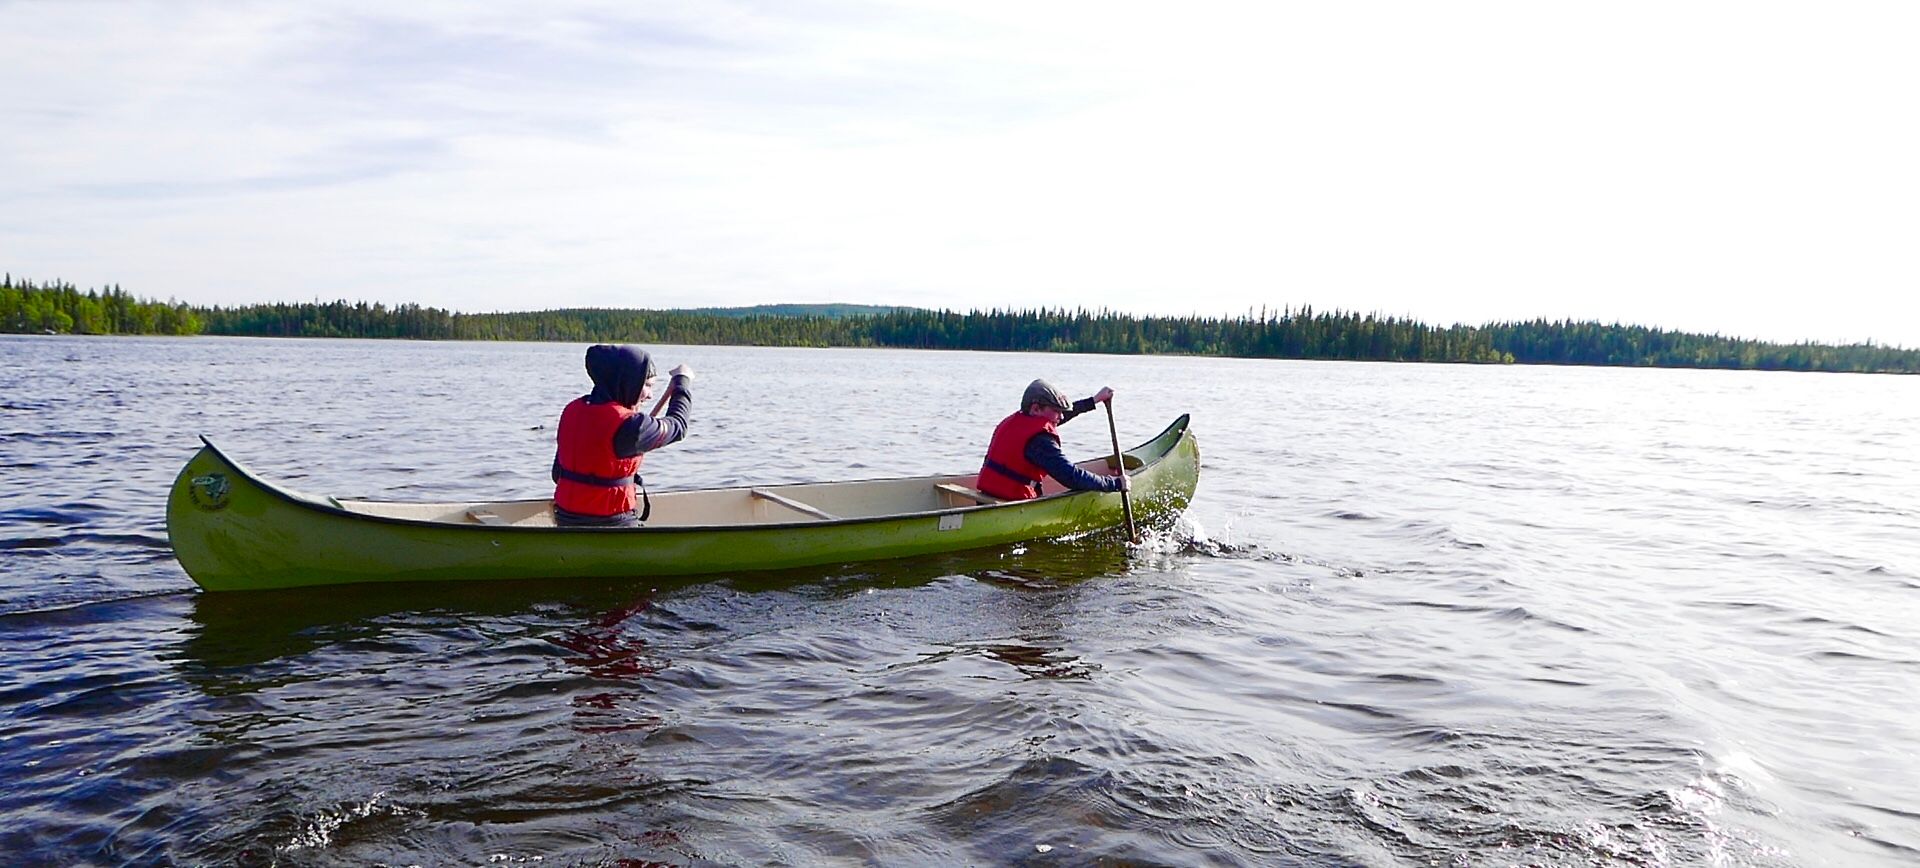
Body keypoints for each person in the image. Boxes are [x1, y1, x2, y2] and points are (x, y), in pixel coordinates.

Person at [551, 344, 693, 527]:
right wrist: (683, 381)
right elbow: (679, 425)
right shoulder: (633, 427)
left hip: (565, 520)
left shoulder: (572, 410)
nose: (650, 396)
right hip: (613, 525)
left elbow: (557, 474)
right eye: (647, 386)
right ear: (629, 383)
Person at [976, 379, 1131, 500]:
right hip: (1011, 502)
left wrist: (1094, 400)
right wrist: (1114, 484)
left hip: (986, 496)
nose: (1061, 416)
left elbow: (1061, 416)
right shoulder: (1040, 441)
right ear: (1036, 408)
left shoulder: (1017, 420)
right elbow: (1071, 476)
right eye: (1057, 411)